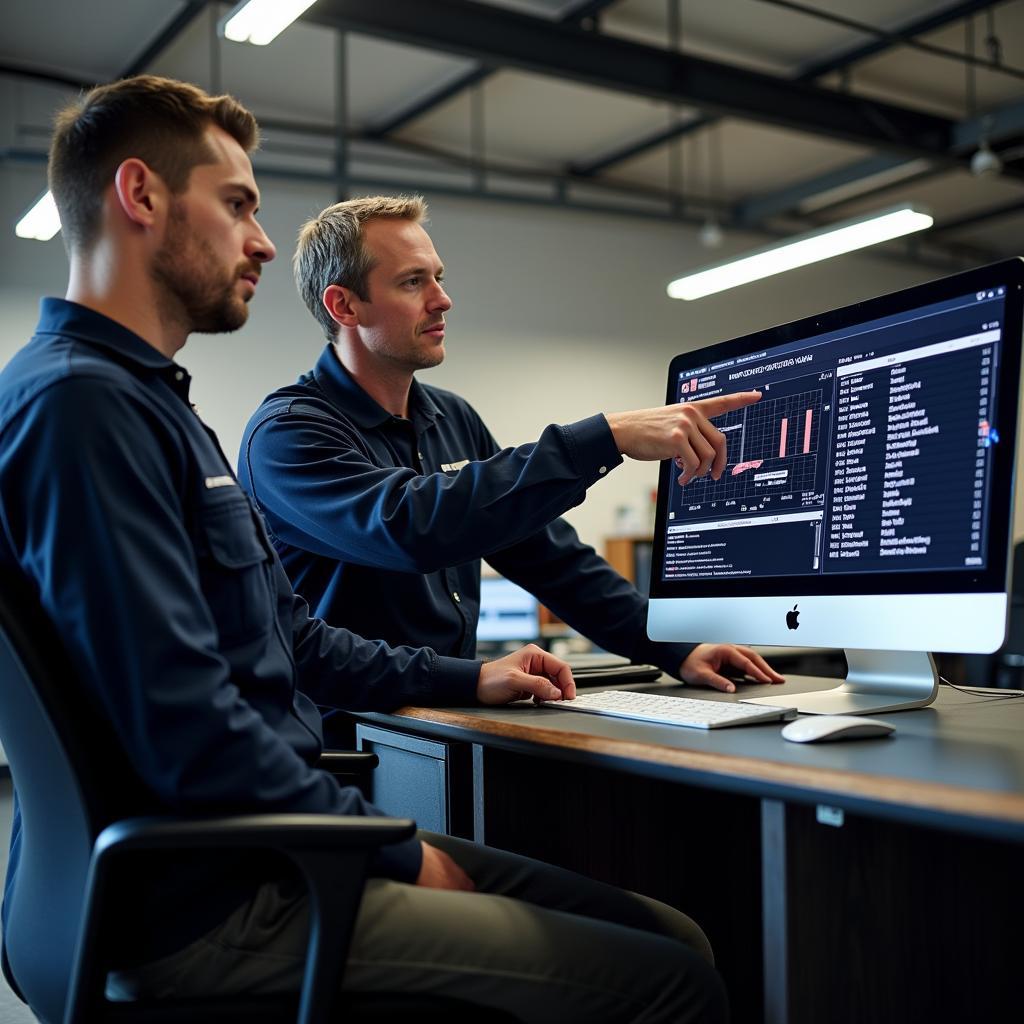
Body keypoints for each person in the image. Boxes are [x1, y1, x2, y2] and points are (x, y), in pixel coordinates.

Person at [0, 75, 727, 1022]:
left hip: (258, 849)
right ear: (139, 196)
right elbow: (185, 724)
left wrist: (487, 677)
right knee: (673, 977)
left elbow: (294, 640)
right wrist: (391, 848)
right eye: (237, 205)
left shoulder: (143, 403)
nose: (261, 239)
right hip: (230, 896)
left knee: (673, 932)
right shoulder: (84, 407)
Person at [239, 196, 784, 692]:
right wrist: (603, 437)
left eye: (439, 278)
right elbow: (409, 527)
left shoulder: (451, 416)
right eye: (412, 282)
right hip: (347, 735)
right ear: (345, 307)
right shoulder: (289, 434)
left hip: (447, 718)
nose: (443, 300)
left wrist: (676, 648)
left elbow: (549, 557)